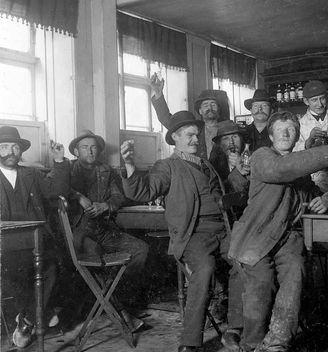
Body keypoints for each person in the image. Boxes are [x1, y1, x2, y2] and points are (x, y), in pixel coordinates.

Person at [228, 111, 328, 352]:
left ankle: (277, 342)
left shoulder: (299, 165)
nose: (285, 133)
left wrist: (324, 200)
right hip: (255, 237)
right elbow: (282, 169)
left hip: (287, 238)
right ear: (270, 135)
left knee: (296, 272)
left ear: (297, 135)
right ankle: (252, 344)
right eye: (280, 129)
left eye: (290, 129)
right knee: (262, 282)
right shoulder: (262, 156)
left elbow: (310, 191)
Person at [121, 111, 238, 352]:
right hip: (193, 235)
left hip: (223, 230)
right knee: (204, 269)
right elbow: (143, 192)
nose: (195, 139)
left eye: (197, 135)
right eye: (189, 135)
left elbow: (219, 194)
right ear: (175, 137)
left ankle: (236, 329)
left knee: (245, 260)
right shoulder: (167, 166)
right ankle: (190, 343)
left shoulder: (206, 164)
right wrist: (130, 164)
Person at [68, 130, 149, 331]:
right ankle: (121, 312)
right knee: (95, 255)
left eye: (93, 147)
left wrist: (105, 206)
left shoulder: (105, 170)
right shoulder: (67, 170)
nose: (90, 151)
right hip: (80, 231)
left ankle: (113, 296)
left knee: (141, 249)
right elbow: (57, 189)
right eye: (85, 147)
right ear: (76, 151)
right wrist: (77, 196)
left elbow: (118, 197)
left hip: (104, 229)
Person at [0, 126, 70, 348]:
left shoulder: (31, 174)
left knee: (53, 267)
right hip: (4, 244)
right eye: (4, 147)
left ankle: (28, 319)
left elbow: (57, 189)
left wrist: (59, 161)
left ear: (20, 151)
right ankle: (41, 311)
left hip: (35, 240)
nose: (10, 151)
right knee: (13, 269)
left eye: (15, 147)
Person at [150, 74, 225, 165]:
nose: (210, 107)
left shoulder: (227, 129)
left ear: (218, 109)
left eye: (213, 104)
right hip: (199, 173)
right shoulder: (195, 129)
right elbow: (166, 118)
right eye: (205, 105)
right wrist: (158, 93)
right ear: (200, 111)